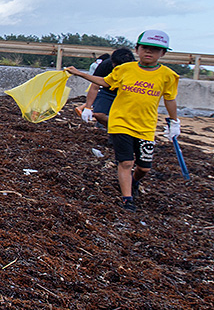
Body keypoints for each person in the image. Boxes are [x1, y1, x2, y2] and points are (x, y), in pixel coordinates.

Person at [66, 30, 180, 212]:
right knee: (126, 163)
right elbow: (103, 82)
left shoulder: (168, 76)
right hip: (120, 123)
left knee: (144, 168)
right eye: (145, 48)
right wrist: (79, 74)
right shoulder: (124, 69)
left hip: (146, 127)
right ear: (137, 49)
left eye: (155, 50)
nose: (149, 52)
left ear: (163, 54)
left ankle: (133, 182)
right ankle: (127, 199)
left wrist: (174, 122)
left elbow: (170, 99)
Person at [77, 48, 136, 128]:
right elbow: (95, 86)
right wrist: (87, 107)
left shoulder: (136, 69)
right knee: (99, 114)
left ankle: (122, 130)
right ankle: (113, 128)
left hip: (127, 93)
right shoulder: (105, 65)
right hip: (108, 91)